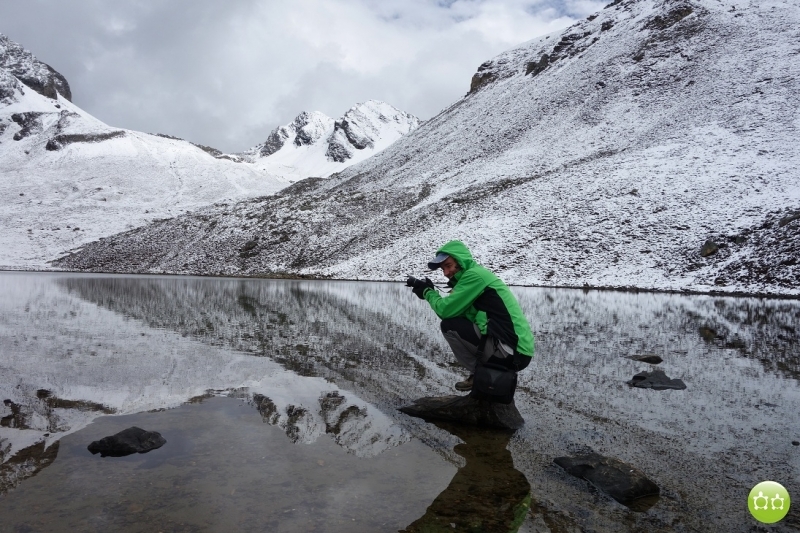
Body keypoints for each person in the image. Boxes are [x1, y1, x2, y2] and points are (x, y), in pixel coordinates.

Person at [409, 240, 534, 391]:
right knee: (453, 322)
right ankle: (483, 375)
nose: (446, 273)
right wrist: (429, 292)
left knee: (449, 327)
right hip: (516, 351)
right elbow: (454, 313)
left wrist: (427, 292)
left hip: (514, 352)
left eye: (448, 266)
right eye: (443, 269)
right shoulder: (473, 276)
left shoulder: (474, 276)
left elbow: (445, 311)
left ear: (460, 261)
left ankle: (480, 375)